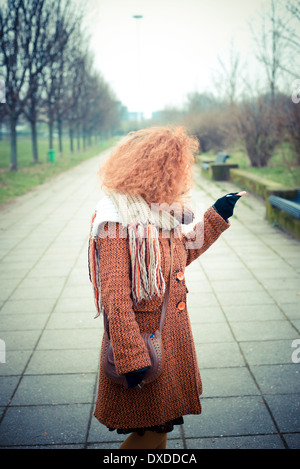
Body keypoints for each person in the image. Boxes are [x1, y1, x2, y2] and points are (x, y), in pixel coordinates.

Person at [88, 126, 246, 450]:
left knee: (158, 432)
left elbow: (182, 252)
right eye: (173, 166)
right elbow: (115, 299)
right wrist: (131, 358)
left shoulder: (158, 211)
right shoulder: (117, 220)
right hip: (144, 346)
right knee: (150, 434)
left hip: (167, 342)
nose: (179, 174)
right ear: (154, 168)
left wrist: (216, 215)